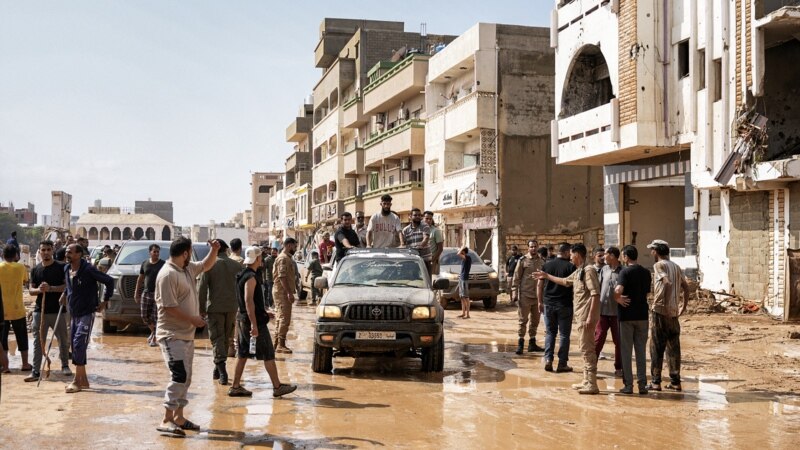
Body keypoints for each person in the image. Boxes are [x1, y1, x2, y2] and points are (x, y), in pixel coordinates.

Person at [154, 237, 219, 436]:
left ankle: (179, 417)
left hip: (186, 335)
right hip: (171, 335)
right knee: (178, 375)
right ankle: (166, 419)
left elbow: (206, 265)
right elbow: (168, 307)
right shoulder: (167, 274)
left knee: (187, 377)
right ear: (185, 253)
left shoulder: (187, 268)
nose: (190, 255)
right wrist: (193, 319)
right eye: (190, 252)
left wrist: (214, 250)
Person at [228, 246, 297, 398]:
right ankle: (277, 387)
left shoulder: (242, 274)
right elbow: (248, 300)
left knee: (242, 354)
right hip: (252, 322)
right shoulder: (251, 277)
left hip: (243, 319)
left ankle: (235, 386)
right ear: (257, 259)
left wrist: (264, 311)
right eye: (261, 257)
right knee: (268, 354)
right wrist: (254, 324)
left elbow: (250, 302)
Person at [536, 243, 601, 394]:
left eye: (572, 254)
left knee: (588, 349)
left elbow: (595, 294)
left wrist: (591, 316)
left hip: (586, 317)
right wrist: (546, 276)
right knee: (584, 348)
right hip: (581, 316)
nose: (570, 257)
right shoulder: (579, 271)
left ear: (577, 254)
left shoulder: (588, 270)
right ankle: (586, 380)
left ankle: (592, 384)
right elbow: (564, 281)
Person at [63, 243, 115, 393]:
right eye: (67, 251)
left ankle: (76, 381)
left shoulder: (89, 270)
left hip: (87, 312)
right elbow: (69, 285)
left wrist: (105, 301)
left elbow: (109, 281)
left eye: (70, 252)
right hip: (74, 313)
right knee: (75, 345)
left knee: (79, 343)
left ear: (78, 254)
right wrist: (64, 294)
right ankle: (83, 380)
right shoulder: (67, 268)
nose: (67, 254)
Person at [647, 239, 690, 392]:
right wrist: (682, 307)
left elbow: (665, 282)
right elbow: (686, 287)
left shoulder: (659, 265)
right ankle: (675, 381)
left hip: (661, 311)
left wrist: (660, 304)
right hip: (674, 313)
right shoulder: (677, 267)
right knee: (673, 348)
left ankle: (655, 382)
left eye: (652, 249)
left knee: (656, 347)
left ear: (656, 251)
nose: (651, 252)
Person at [26, 240, 70, 382]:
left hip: (58, 311)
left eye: (48, 250)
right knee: (39, 342)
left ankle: (65, 365)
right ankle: (35, 371)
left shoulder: (62, 267)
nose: (45, 252)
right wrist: (40, 290)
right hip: (40, 312)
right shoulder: (35, 269)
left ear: (52, 251)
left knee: (63, 339)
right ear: (39, 252)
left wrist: (51, 288)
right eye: (43, 250)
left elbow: (67, 286)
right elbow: (31, 290)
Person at [199, 240, 241, 386]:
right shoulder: (237, 265)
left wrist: (201, 309)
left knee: (217, 339)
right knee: (226, 338)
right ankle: (218, 368)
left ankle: (222, 371)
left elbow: (202, 288)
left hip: (215, 308)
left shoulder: (209, 265)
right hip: (232, 307)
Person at [614, 245, 651, 395]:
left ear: (626, 257)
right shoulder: (646, 272)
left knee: (626, 352)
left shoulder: (625, 272)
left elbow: (618, 290)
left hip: (627, 317)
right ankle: (642, 385)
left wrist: (617, 299)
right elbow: (648, 293)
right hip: (642, 315)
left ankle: (628, 385)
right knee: (641, 351)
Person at [537, 243, 576, 373]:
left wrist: (539, 302)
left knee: (550, 333)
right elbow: (574, 288)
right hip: (564, 305)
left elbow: (539, 285)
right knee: (564, 335)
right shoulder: (571, 267)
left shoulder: (546, 265)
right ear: (566, 252)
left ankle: (548, 359)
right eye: (570, 253)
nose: (571, 255)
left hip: (548, 304)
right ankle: (562, 364)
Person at [0, 245, 31, 372]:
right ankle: (24, 364)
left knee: (2, 339)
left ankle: (4, 366)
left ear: (3, 255)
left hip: (1, 310)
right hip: (18, 308)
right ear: (16, 256)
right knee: (22, 337)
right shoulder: (21, 267)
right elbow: (25, 280)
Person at [513, 242, 545, 355]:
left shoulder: (542, 261)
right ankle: (520, 344)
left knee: (535, 321)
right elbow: (516, 277)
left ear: (538, 247)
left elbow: (544, 279)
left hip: (537, 296)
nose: (533, 248)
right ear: (528, 248)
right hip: (525, 295)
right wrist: (514, 293)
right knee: (523, 321)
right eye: (531, 246)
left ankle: (532, 343)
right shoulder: (522, 260)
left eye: (535, 246)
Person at [595, 246, 622, 378]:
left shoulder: (623, 271)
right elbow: (599, 288)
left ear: (612, 255)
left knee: (619, 341)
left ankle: (619, 368)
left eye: (605, 254)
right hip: (602, 312)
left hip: (617, 313)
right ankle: (592, 365)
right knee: (599, 338)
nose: (602, 257)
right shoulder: (604, 270)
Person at [134, 244, 165, 347]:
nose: (156, 253)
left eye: (158, 252)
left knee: (156, 317)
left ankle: (155, 338)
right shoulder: (145, 263)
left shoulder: (163, 264)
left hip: (158, 294)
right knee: (144, 316)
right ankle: (153, 332)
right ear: (150, 252)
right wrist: (136, 293)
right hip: (146, 293)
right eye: (154, 251)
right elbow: (140, 279)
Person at [272, 237, 298, 354]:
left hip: (281, 292)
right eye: (294, 246)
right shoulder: (283, 259)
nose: (295, 248)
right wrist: (289, 292)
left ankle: (276, 344)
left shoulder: (286, 258)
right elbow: (282, 277)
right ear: (288, 245)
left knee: (280, 317)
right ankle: (280, 345)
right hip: (282, 292)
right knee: (284, 318)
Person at [400, 208, 431, 275]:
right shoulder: (405, 230)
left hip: (424, 259)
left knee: (427, 280)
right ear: (410, 216)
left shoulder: (425, 226)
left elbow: (426, 238)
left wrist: (421, 246)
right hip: (412, 260)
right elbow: (404, 244)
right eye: (415, 215)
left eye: (419, 215)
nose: (418, 217)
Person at [424, 211, 444, 276]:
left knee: (430, 280)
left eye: (430, 219)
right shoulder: (420, 230)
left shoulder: (435, 231)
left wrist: (432, 260)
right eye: (427, 218)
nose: (428, 220)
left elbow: (440, 249)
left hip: (431, 259)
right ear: (423, 218)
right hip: (421, 259)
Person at [457, 246, 472, 319]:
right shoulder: (464, 258)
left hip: (465, 279)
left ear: (464, 251)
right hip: (461, 278)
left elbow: (458, 254)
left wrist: (461, 248)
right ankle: (463, 313)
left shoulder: (468, 258)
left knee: (466, 297)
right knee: (462, 297)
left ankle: (468, 314)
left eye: (462, 251)